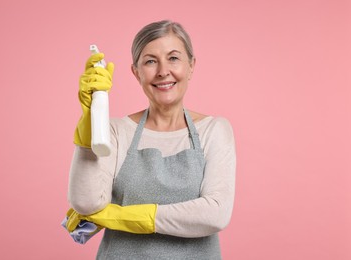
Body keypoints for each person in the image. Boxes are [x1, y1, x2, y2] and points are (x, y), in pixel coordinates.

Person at [64, 20, 236, 259]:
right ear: (136, 72)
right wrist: (91, 122)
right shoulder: (115, 131)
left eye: (173, 58)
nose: (163, 71)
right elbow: (86, 203)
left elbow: (215, 213)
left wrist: (123, 216)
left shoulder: (214, 130)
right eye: (150, 61)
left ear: (191, 66)